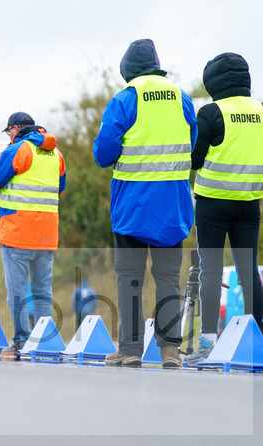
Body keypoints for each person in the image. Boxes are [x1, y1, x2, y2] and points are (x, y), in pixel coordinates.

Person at [93, 39, 196, 369]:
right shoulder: (182, 98)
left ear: (128, 70)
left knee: (130, 276)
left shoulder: (125, 98)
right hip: (172, 205)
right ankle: (170, 351)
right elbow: (190, 143)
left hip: (133, 206)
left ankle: (131, 350)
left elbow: (104, 151)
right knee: (168, 277)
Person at [184, 52, 263, 365]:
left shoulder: (211, 112)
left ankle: (206, 345)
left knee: (211, 272)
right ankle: (258, 339)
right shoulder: (260, 111)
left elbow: (196, 159)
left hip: (213, 204)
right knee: (249, 272)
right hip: (249, 203)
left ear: (213, 81)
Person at [0, 111, 66, 359]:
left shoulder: (18, 150)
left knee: (18, 292)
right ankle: (42, 341)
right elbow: (59, 189)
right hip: (47, 234)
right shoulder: (57, 154)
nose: (9, 136)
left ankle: (21, 341)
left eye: (9, 131)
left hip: (17, 233)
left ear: (16, 128)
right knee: (43, 291)